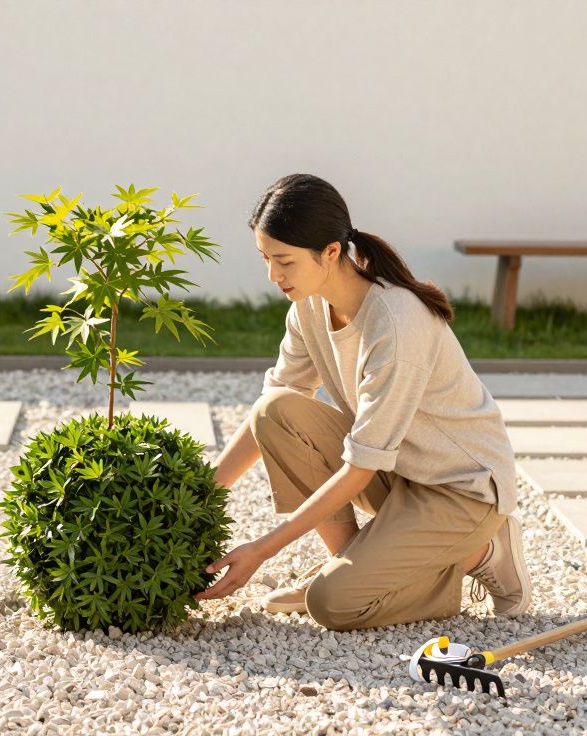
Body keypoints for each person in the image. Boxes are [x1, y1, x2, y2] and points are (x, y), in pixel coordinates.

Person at [193, 173, 531, 631]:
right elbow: (270, 412)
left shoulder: (395, 323)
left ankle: (484, 551)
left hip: (460, 491)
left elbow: (360, 466)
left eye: (285, 261)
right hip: (399, 473)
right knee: (276, 410)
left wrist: (262, 548)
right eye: (266, 259)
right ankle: (353, 564)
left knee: (333, 605)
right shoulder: (308, 307)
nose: (274, 276)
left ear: (331, 252)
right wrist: (197, 499)